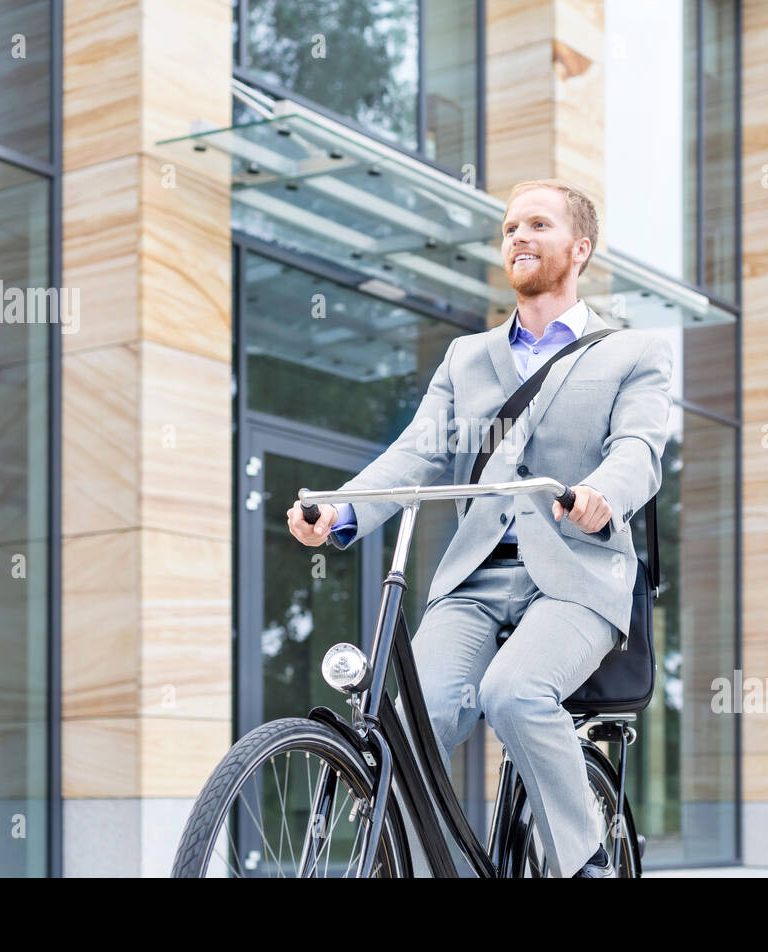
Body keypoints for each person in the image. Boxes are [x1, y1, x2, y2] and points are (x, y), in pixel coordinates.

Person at [287, 178, 672, 877]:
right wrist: (341, 509)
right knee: (413, 724)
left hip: (577, 577)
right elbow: (418, 450)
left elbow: (638, 454)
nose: (518, 236)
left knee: (514, 692)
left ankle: (585, 862)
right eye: (508, 228)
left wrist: (599, 495)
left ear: (579, 248)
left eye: (537, 225)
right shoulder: (468, 358)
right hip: (475, 577)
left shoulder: (633, 353)